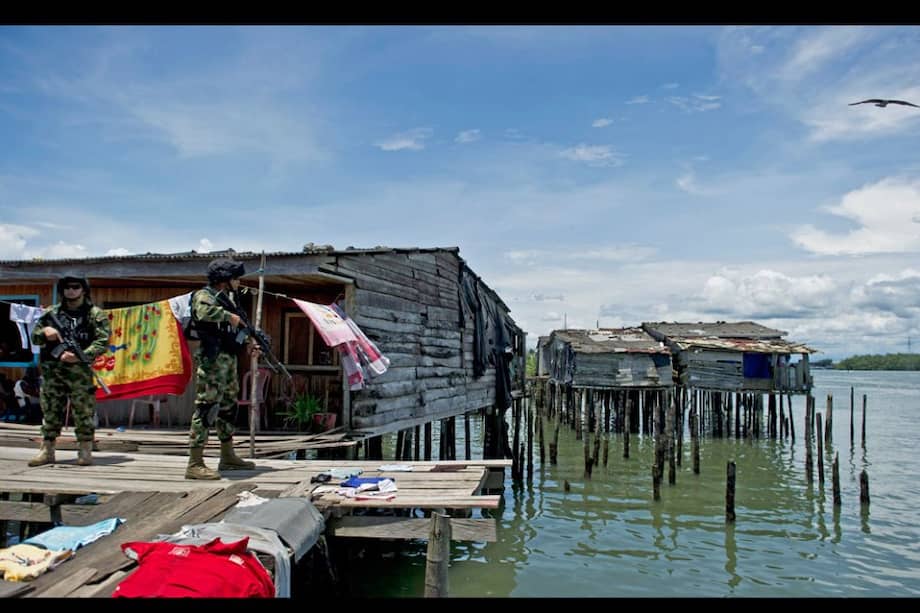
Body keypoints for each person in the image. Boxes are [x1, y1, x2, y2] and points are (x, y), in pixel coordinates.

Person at [185, 257, 260, 480]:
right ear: (224, 279)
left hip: (228, 361)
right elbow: (203, 313)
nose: (239, 282)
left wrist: (250, 343)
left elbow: (236, 330)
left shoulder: (228, 300)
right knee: (206, 408)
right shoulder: (204, 295)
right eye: (236, 278)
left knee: (228, 408)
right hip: (212, 362)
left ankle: (227, 456)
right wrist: (229, 316)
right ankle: (194, 463)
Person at [28, 273, 111, 467]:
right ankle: (47, 450)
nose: (71, 291)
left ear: (84, 290)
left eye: (75, 287)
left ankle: (85, 450)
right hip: (53, 371)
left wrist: (81, 356)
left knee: (83, 412)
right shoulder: (51, 313)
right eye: (67, 287)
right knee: (50, 410)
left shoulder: (94, 314)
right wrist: (45, 332)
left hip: (79, 373)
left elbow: (102, 342)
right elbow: (35, 337)